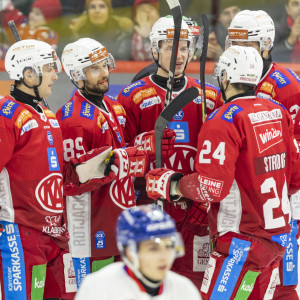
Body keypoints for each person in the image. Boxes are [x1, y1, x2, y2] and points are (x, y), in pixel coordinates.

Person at [145, 45, 300, 300]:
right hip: (277, 242)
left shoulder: (224, 119)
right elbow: (294, 179)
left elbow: (212, 188)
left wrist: (171, 184)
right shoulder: (278, 112)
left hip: (241, 245)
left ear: (225, 78)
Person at [57, 37, 175, 290]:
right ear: (77, 75)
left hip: (118, 217)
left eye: (104, 65)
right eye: (94, 68)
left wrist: (143, 146)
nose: (104, 73)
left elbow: (125, 155)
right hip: (89, 229)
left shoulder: (114, 107)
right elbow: (70, 182)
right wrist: (112, 163)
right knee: (95, 292)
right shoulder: (74, 120)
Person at [117, 15, 221, 290]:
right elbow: (118, 159)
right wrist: (143, 146)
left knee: (194, 286)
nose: (179, 55)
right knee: (149, 284)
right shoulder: (132, 96)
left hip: (195, 210)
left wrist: (206, 198)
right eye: (170, 47)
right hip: (151, 209)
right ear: (154, 50)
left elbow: (221, 157)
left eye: (185, 47)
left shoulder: (209, 96)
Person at [226, 10, 300, 299]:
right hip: (240, 194)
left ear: (267, 44)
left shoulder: (288, 86)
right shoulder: (229, 76)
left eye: (248, 45)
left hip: (279, 199)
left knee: (282, 277)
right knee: (247, 273)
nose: (240, 52)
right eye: (234, 44)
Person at [0, 39, 76, 299]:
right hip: (21, 233)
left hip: (54, 234)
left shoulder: (46, 113)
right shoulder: (6, 114)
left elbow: (58, 172)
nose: (56, 74)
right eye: (50, 67)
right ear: (28, 74)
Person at [75, 204, 202, 299]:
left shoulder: (184, 290)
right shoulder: (99, 288)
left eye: (169, 245)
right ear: (130, 252)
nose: (164, 257)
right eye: (153, 248)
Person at [130, 16, 201, 83]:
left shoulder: (175, 74)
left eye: (192, 44)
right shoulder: (151, 75)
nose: (189, 52)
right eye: (172, 47)